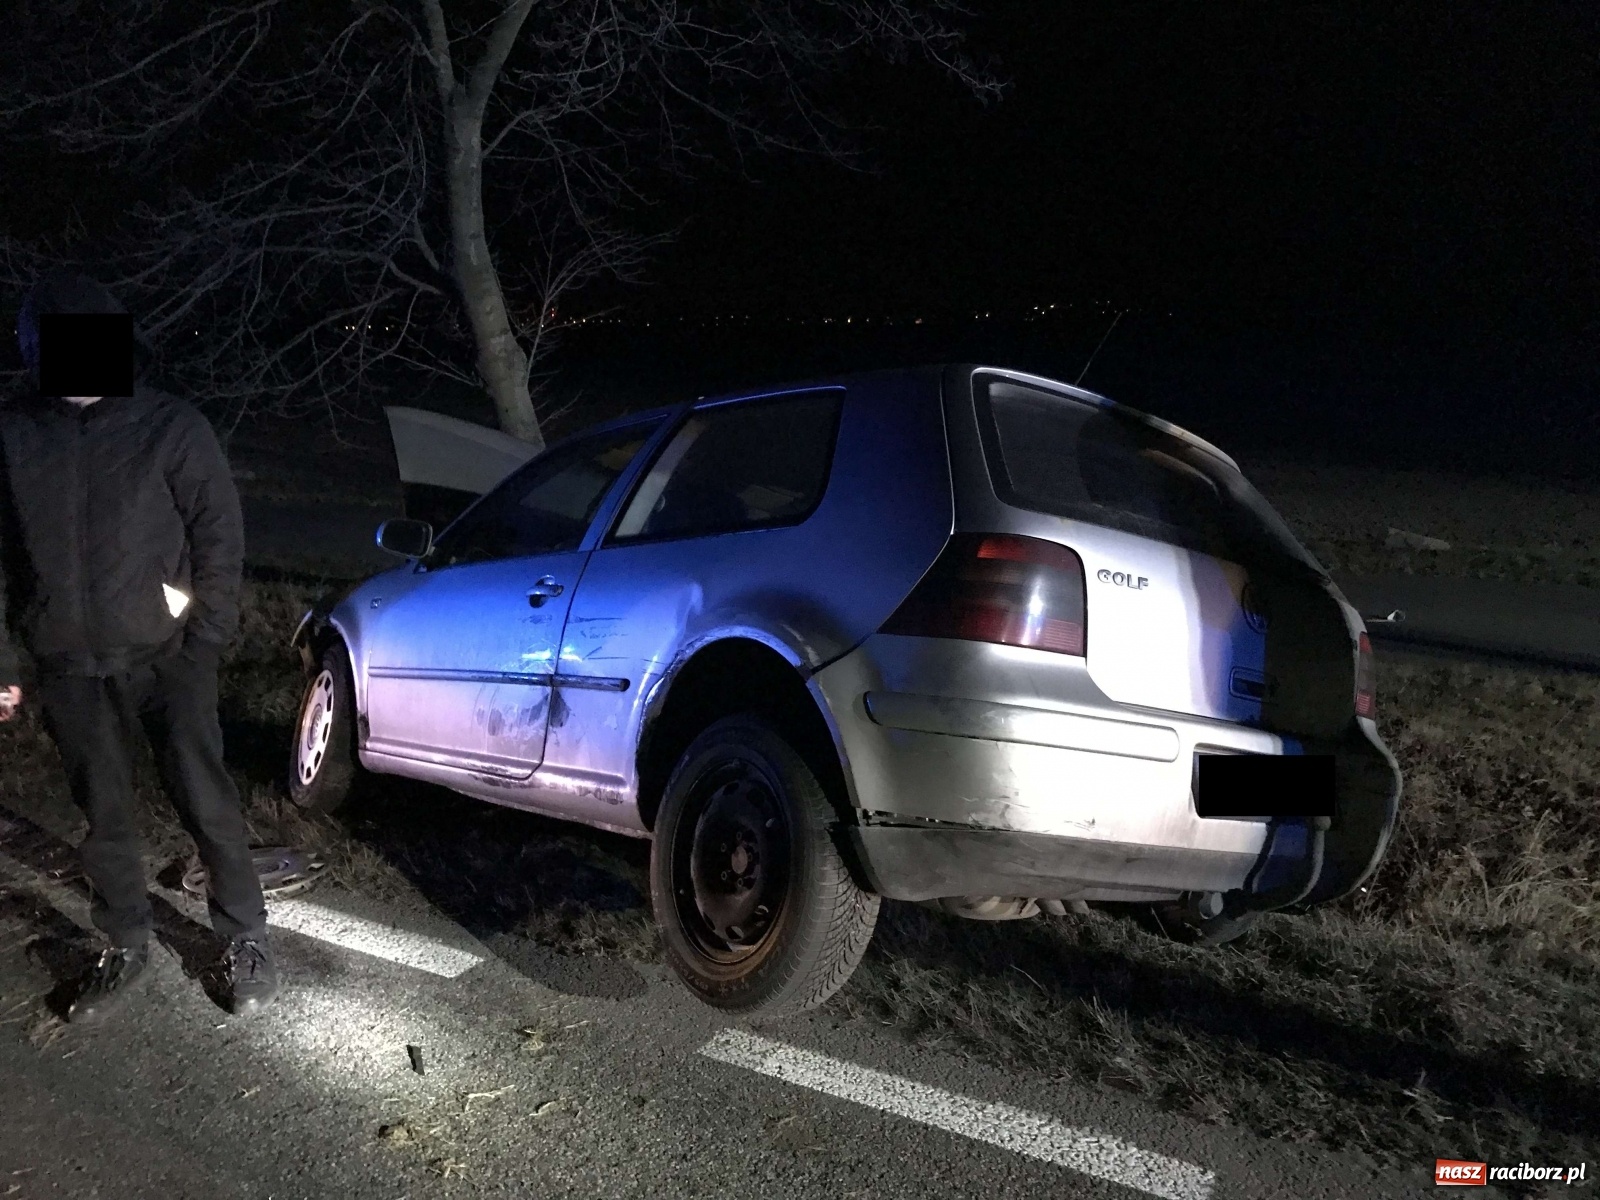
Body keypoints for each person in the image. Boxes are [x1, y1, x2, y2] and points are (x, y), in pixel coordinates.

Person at [0, 269, 279, 1022]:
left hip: (167, 655)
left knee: (205, 798)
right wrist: (6, 657)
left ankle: (245, 935)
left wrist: (207, 636)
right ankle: (124, 941)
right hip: (66, 662)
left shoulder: (169, 426)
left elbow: (219, 531)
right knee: (106, 816)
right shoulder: (14, 432)